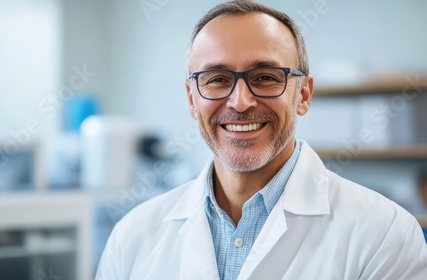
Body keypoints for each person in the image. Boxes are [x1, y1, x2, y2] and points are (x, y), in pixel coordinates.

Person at [95, 1, 427, 279]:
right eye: (217, 79)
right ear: (192, 99)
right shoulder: (132, 236)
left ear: (304, 95)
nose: (240, 102)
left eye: (266, 77)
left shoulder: (385, 234)